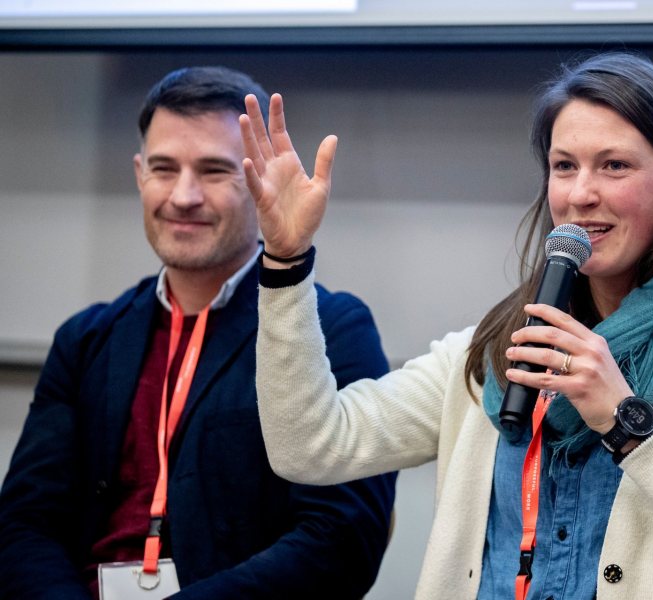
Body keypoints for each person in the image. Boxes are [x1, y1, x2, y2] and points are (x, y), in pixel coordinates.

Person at [243, 51, 653, 599]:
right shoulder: (497, 346)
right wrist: (286, 263)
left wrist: (631, 426)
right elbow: (309, 448)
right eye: (563, 166)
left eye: (615, 166)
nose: (581, 193)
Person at [0, 66, 396, 599]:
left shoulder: (331, 330)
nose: (183, 196)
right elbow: (25, 524)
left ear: (261, 184)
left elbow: (340, 538)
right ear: (140, 174)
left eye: (213, 171)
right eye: (164, 168)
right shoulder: (85, 340)